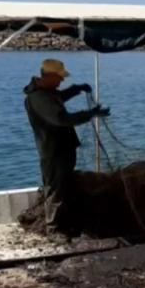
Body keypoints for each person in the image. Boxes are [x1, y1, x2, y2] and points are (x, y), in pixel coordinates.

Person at [23, 59, 110, 236]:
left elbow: (59, 98)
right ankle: (53, 229)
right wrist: (91, 114)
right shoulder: (39, 98)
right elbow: (61, 119)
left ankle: (65, 224)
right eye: (59, 77)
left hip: (63, 148)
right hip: (54, 151)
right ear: (49, 76)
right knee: (55, 188)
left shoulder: (46, 92)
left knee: (64, 185)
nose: (61, 81)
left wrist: (76, 89)